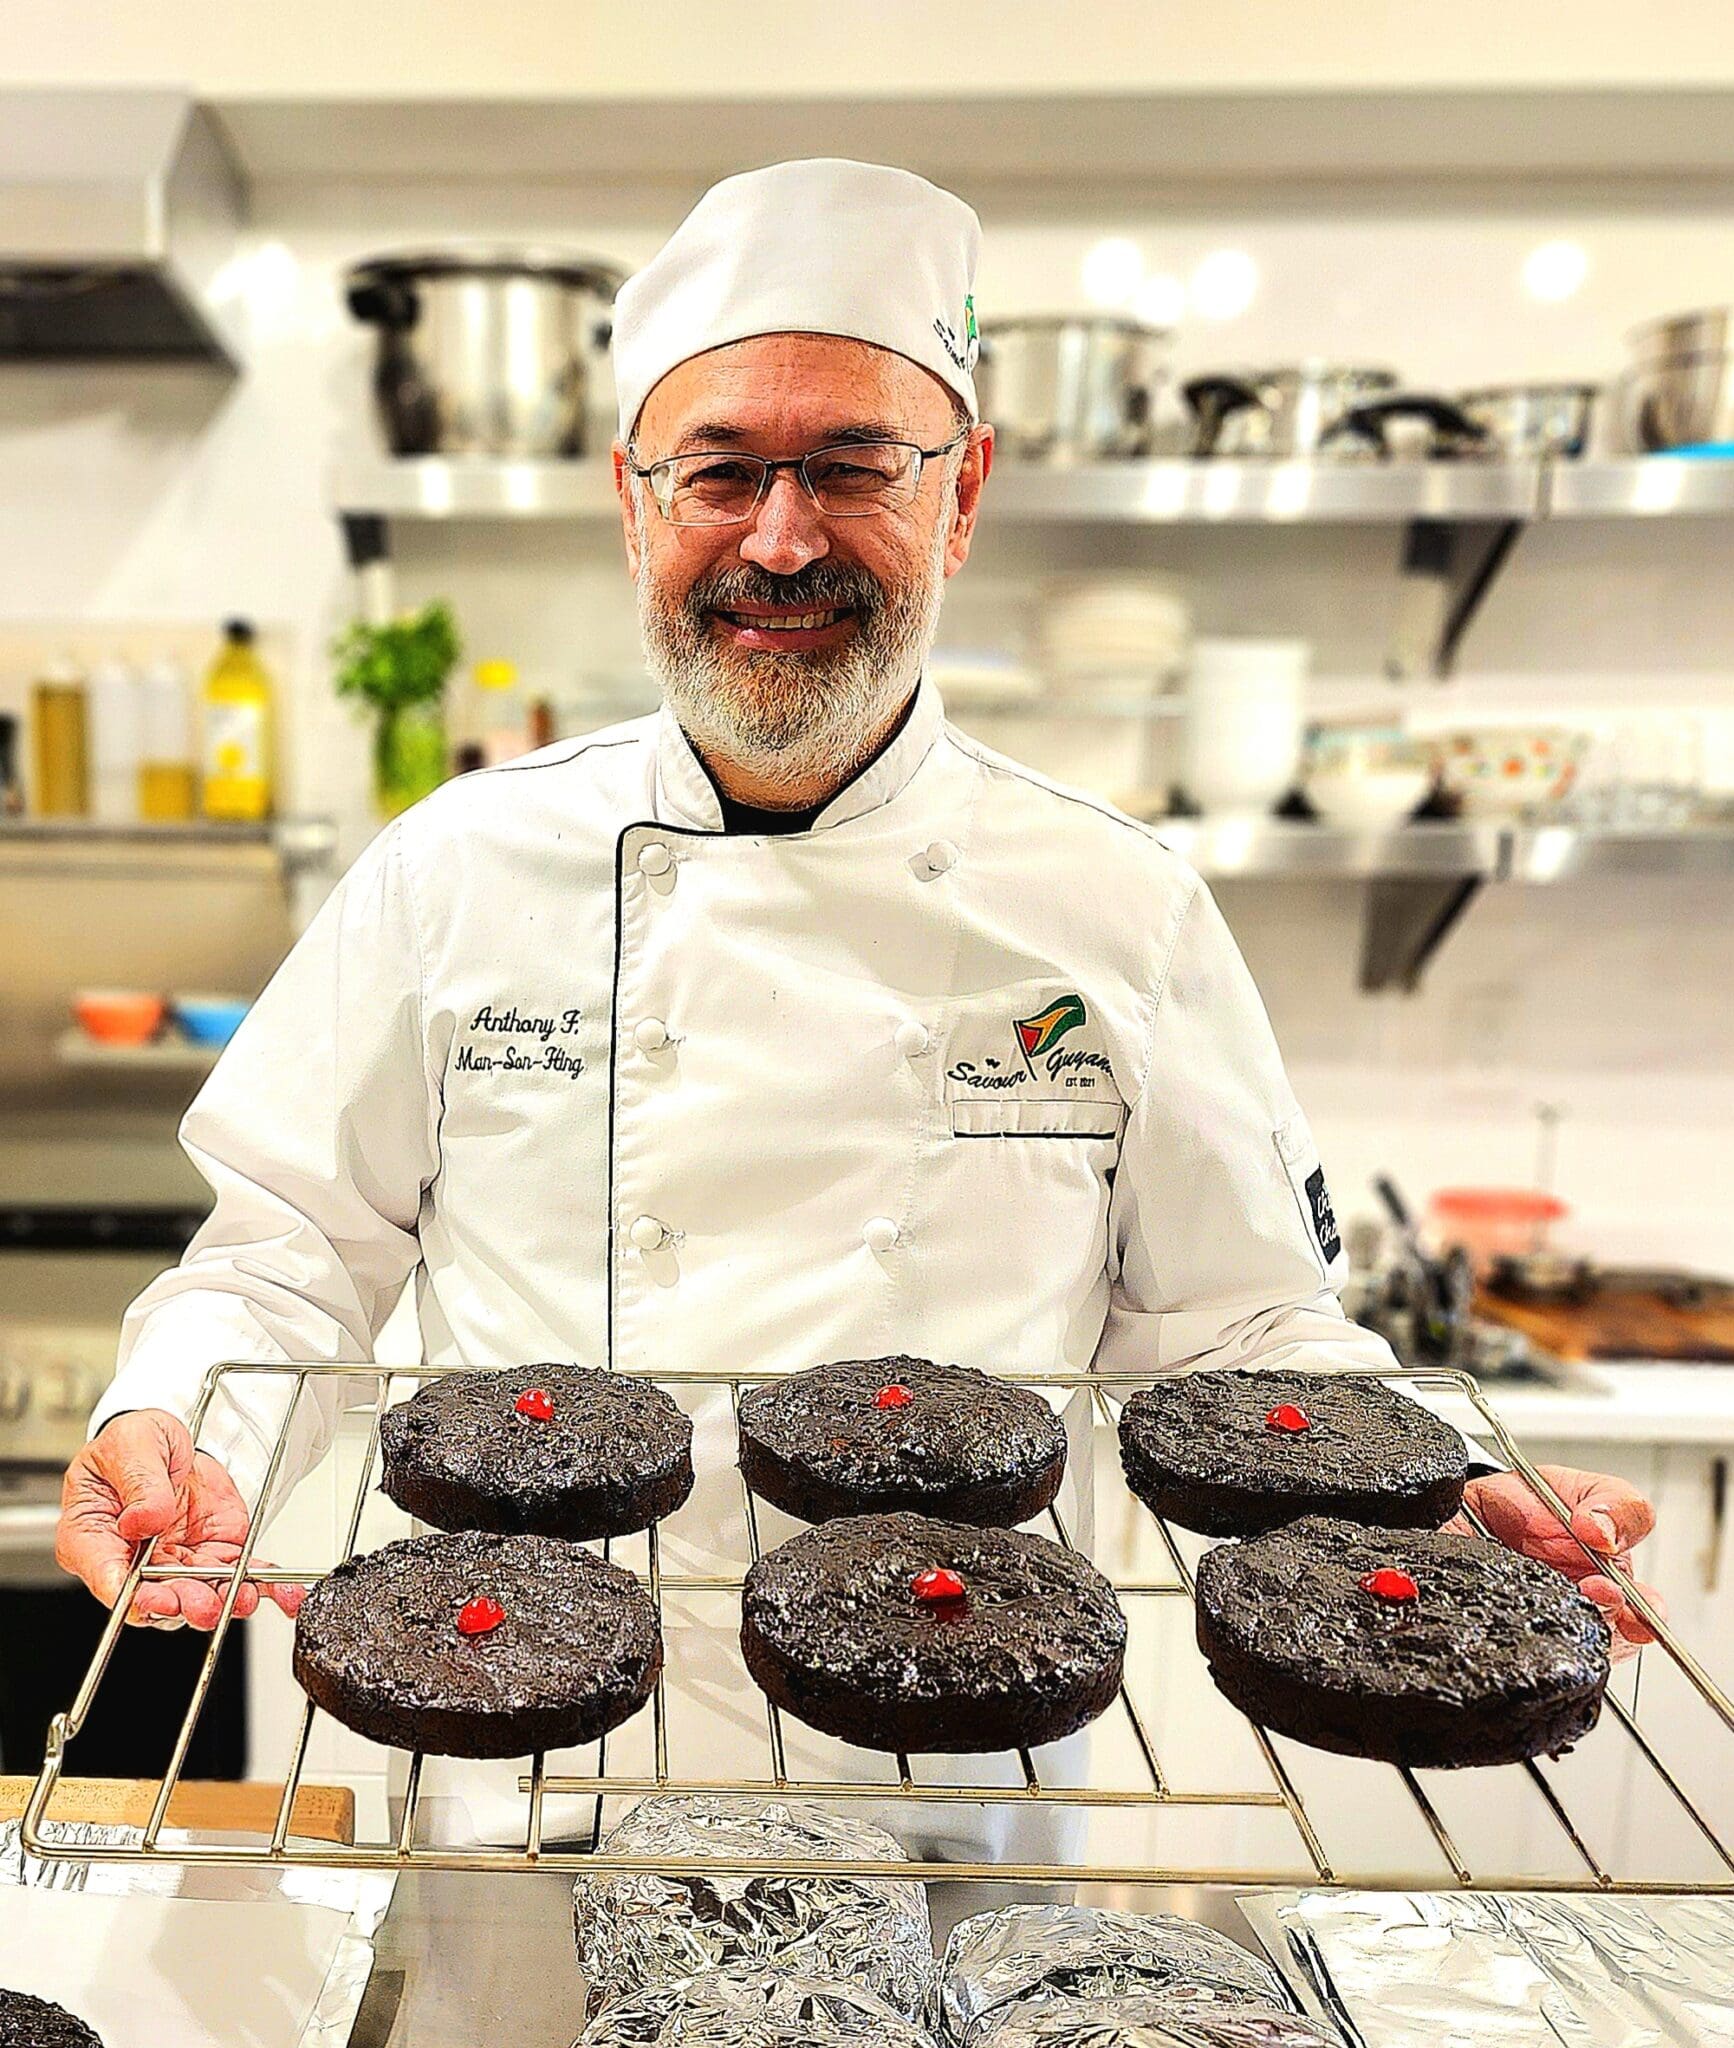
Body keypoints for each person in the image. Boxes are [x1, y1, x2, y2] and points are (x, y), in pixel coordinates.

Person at [59, 161, 1657, 1675]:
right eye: (722, 470)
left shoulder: (1119, 904)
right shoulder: (454, 867)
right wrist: (180, 1431)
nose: (779, 537)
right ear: (634, 502)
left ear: (960, 497)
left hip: (965, 1742)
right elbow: (283, 1262)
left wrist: (1423, 1488)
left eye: (851, 465)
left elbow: (1238, 1328)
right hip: (511, 1723)